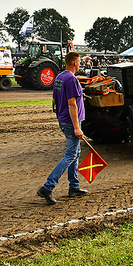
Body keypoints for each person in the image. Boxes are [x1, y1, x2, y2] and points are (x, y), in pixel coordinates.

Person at [37, 51, 88, 205]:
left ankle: (74, 187)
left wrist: (60, 116)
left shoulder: (59, 77)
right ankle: (48, 186)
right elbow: (71, 104)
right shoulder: (71, 79)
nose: (80, 64)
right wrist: (76, 127)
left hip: (63, 119)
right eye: (79, 61)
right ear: (75, 63)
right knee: (70, 155)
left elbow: (54, 100)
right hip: (70, 121)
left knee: (75, 153)